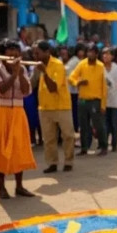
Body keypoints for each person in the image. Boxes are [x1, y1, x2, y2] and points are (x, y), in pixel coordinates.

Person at [0, 39, 36, 199]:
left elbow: (26, 91)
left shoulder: (22, 69)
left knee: (19, 148)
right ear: (3, 55)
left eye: (16, 50)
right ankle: (1, 187)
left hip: (18, 112)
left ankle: (19, 186)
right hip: (1, 112)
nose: (14, 54)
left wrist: (20, 74)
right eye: (10, 51)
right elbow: (0, 89)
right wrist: (14, 73)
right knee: (1, 148)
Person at [34, 40, 74, 173]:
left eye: (37, 53)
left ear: (47, 52)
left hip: (61, 105)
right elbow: (31, 85)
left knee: (67, 135)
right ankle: (52, 163)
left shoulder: (58, 64)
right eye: (34, 53)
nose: (35, 56)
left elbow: (53, 88)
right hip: (45, 107)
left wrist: (44, 72)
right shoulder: (37, 66)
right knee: (48, 138)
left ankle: (68, 161)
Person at [69, 43, 108, 156]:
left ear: (96, 54)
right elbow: (71, 77)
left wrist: (103, 105)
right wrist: (78, 82)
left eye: (92, 52)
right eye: (88, 52)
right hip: (82, 100)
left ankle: (103, 146)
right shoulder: (82, 64)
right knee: (83, 125)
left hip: (95, 100)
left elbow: (104, 87)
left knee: (98, 124)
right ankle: (84, 148)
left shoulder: (101, 66)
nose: (90, 54)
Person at [101, 47, 117, 152]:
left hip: (116, 100)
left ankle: (114, 144)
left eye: (108, 54)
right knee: (105, 123)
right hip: (104, 100)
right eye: (104, 54)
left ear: (112, 56)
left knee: (114, 123)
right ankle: (104, 144)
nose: (105, 56)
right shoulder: (100, 68)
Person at [60, 44, 81, 133]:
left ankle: (74, 132)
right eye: (62, 53)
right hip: (61, 92)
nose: (63, 54)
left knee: (73, 114)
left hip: (73, 92)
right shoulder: (58, 61)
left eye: (65, 52)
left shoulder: (75, 61)